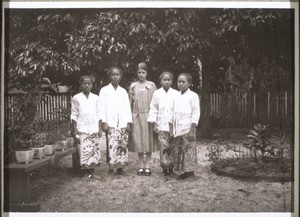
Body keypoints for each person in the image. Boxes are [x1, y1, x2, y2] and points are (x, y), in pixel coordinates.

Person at [98, 67, 132, 175]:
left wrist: (128, 122)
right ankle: (111, 167)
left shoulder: (123, 91)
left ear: (121, 76)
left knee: (122, 145)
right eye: (113, 75)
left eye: (117, 75)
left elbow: (127, 107)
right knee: (111, 144)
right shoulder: (104, 90)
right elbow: (101, 107)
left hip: (122, 122)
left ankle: (120, 168)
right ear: (109, 76)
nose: (115, 76)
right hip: (110, 121)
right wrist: (104, 121)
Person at [129, 62, 158, 176]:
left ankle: (148, 165)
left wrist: (155, 118)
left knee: (148, 140)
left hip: (149, 115)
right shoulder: (133, 86)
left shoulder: (152, 85)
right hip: (137, 115)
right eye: (139, 72)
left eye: (143, 72)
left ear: (147, 73)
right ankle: (141, 164)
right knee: (139, 140)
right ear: (137, 73)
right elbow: (130, 103)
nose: (141, 75)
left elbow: (155, 102)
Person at [71, 75, 102, 179]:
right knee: (84, 150)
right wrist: (75, 129)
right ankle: (85, 172)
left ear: (92, 85)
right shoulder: (76, 98)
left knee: (94, 150)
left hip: (93, 127)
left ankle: (92, 172)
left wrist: (100, 128)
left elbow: (99, 114)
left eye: (89, 83)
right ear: (81, 85)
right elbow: (74, 114)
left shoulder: (96, 98)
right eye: (84, 83)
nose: (86, 85)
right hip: (82, 127)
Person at [147, 71, 177, 176]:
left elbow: (177, 110)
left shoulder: (175, 93)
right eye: (164, 80)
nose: (166, 82)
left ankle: (172, 167)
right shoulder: (157, 93)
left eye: (169, 80)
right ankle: (165, 168)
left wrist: (176, 125)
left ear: (172, 81)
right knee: (163, 146)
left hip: (173, 125)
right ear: (160, 81)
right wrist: (154, 124)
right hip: (161, 124)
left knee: (172, 146)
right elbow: (153, 108)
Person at [172, 73, 200, 179]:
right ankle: (182, 171)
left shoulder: (193, 96)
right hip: (178, 127)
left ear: (189, 83)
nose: (180, 84)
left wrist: (193, 128)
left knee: (189, 149)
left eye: (183, 82)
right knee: (180, 149)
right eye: (179, 81)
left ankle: (190, 172)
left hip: (188, 127)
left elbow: (196, 112)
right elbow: (173, 111)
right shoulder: (176, 95)